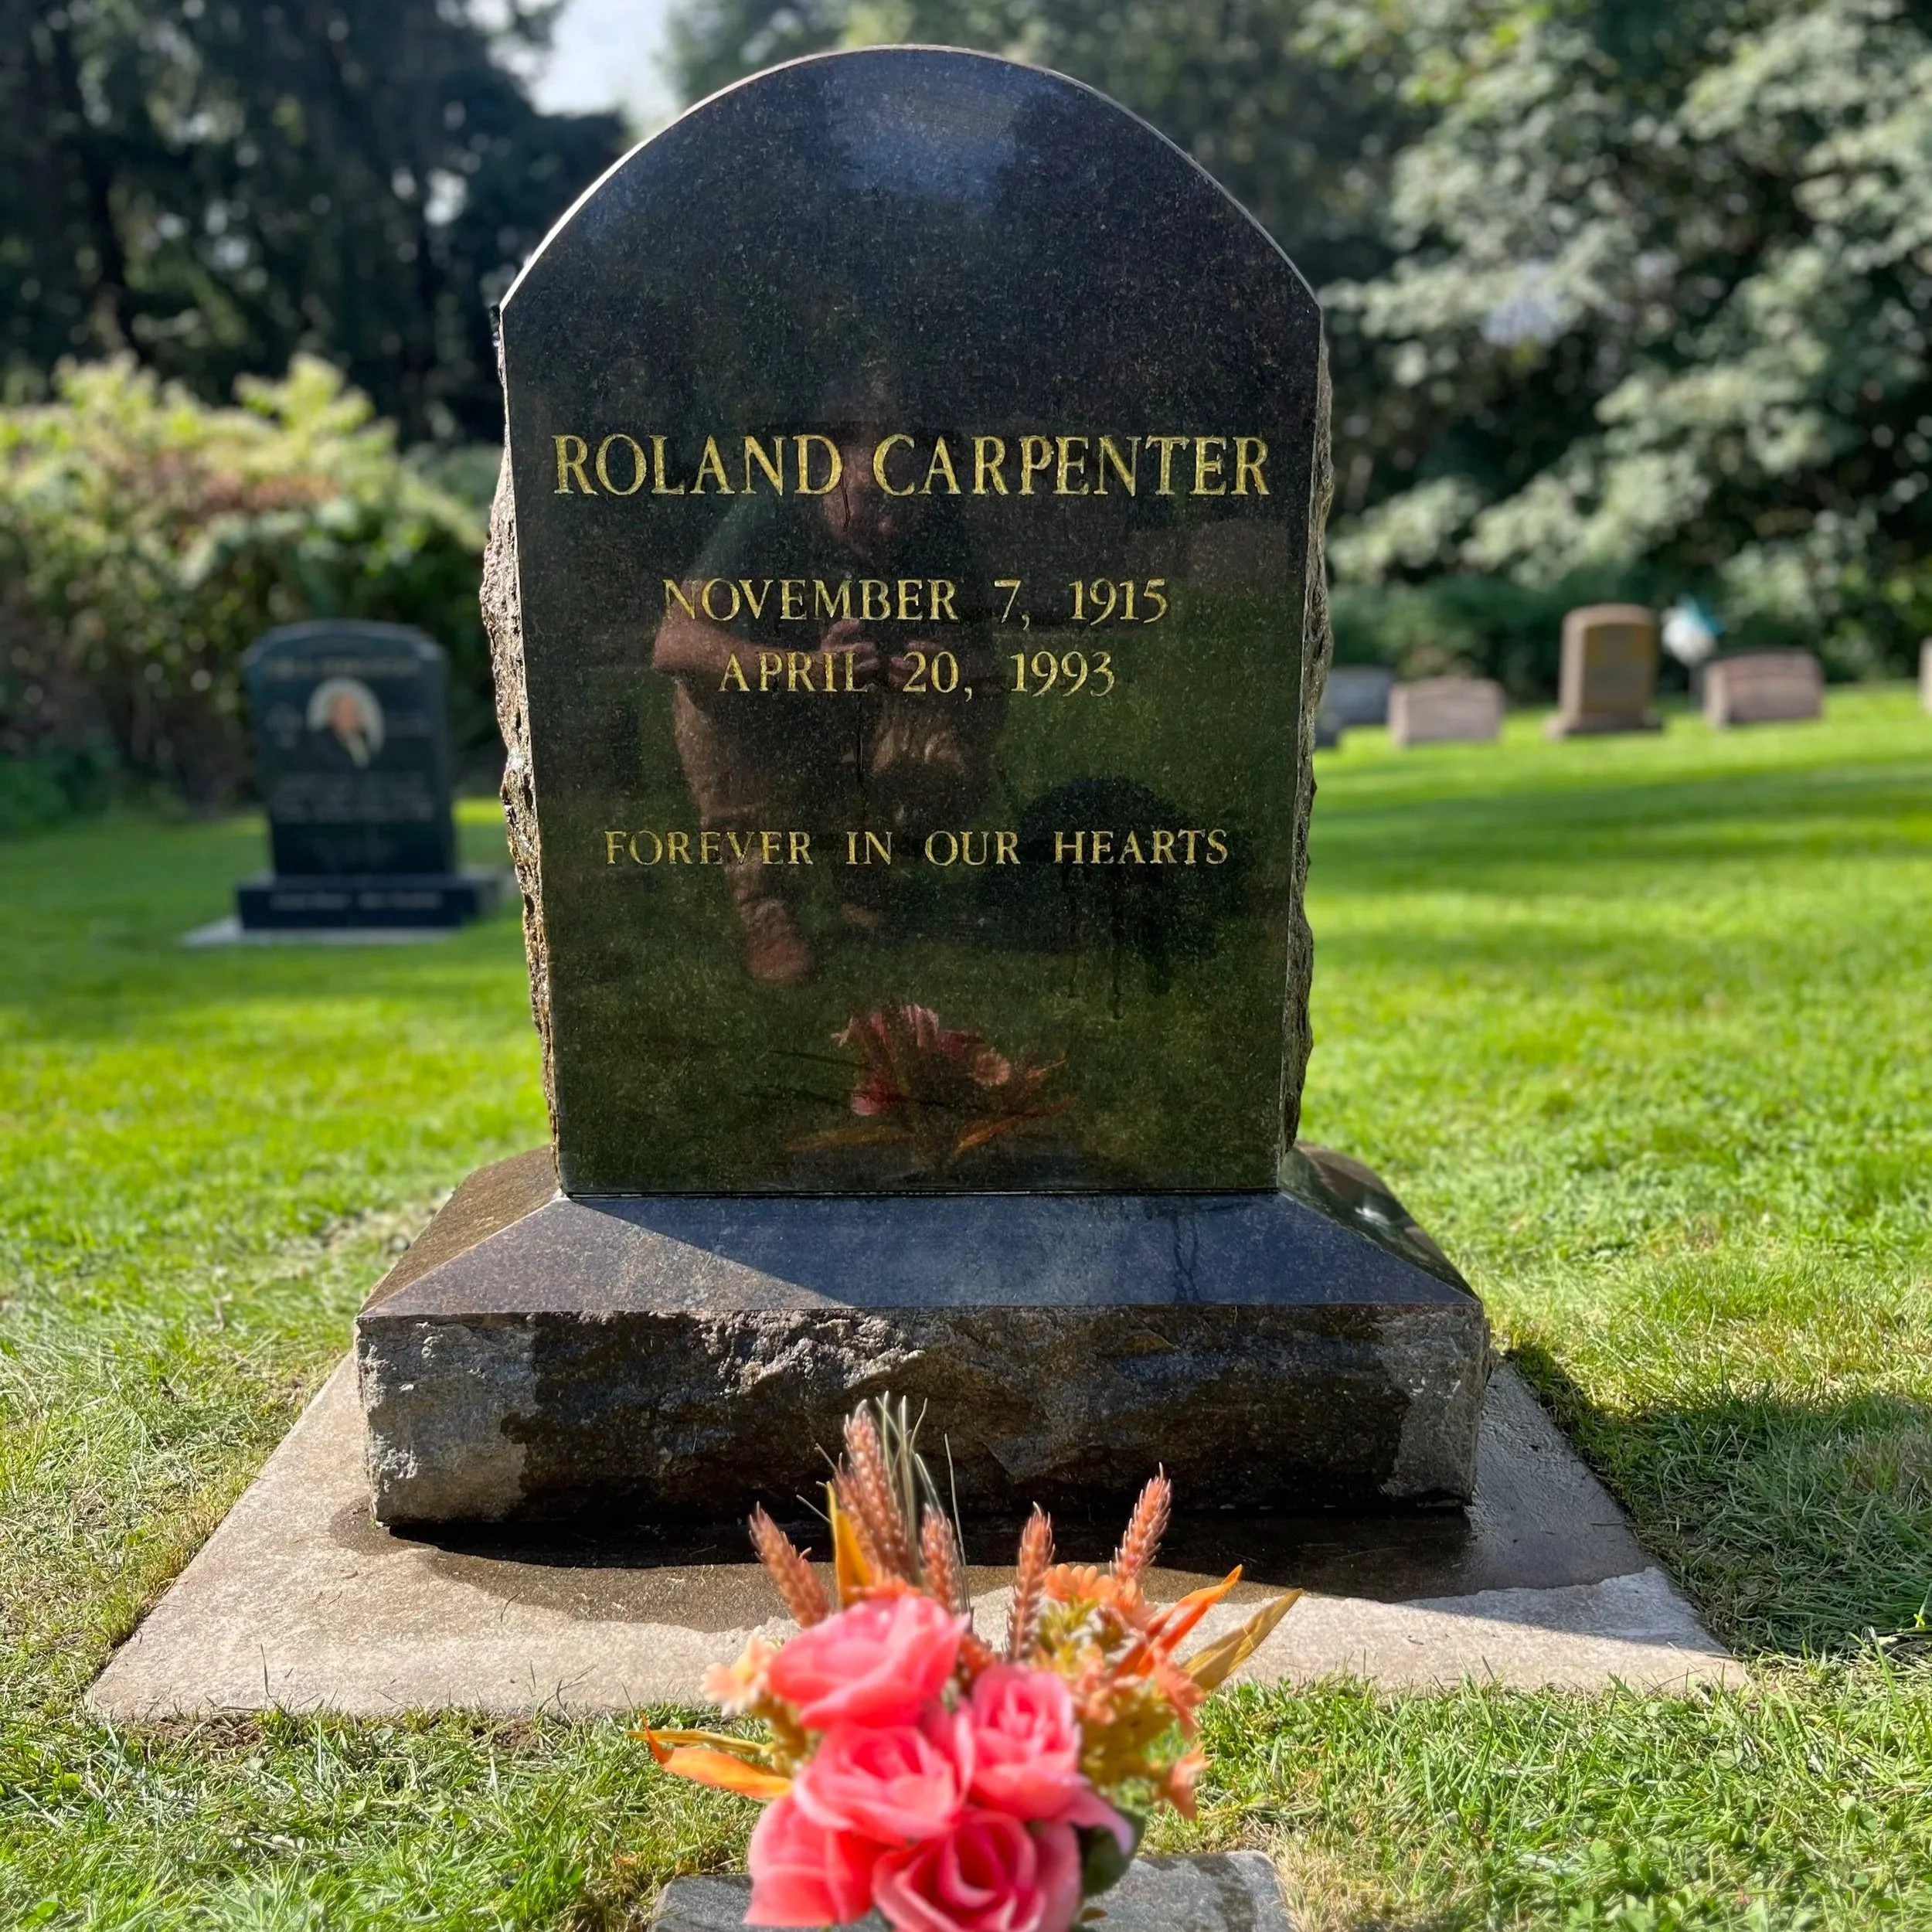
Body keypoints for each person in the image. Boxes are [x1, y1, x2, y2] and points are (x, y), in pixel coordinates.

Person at [651, 400, 1002, 987]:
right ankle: (765, 905)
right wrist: (806, 672)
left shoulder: (939, 525)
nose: (891, 524)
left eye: (906, 500)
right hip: (772, 714)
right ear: (826, 471)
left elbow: (986, 672)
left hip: (874, 709)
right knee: (704, 688)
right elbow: (674, 641)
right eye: (870, 498)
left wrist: (950, 674)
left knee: (967, 725)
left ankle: (867, 863)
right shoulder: (769, 511)